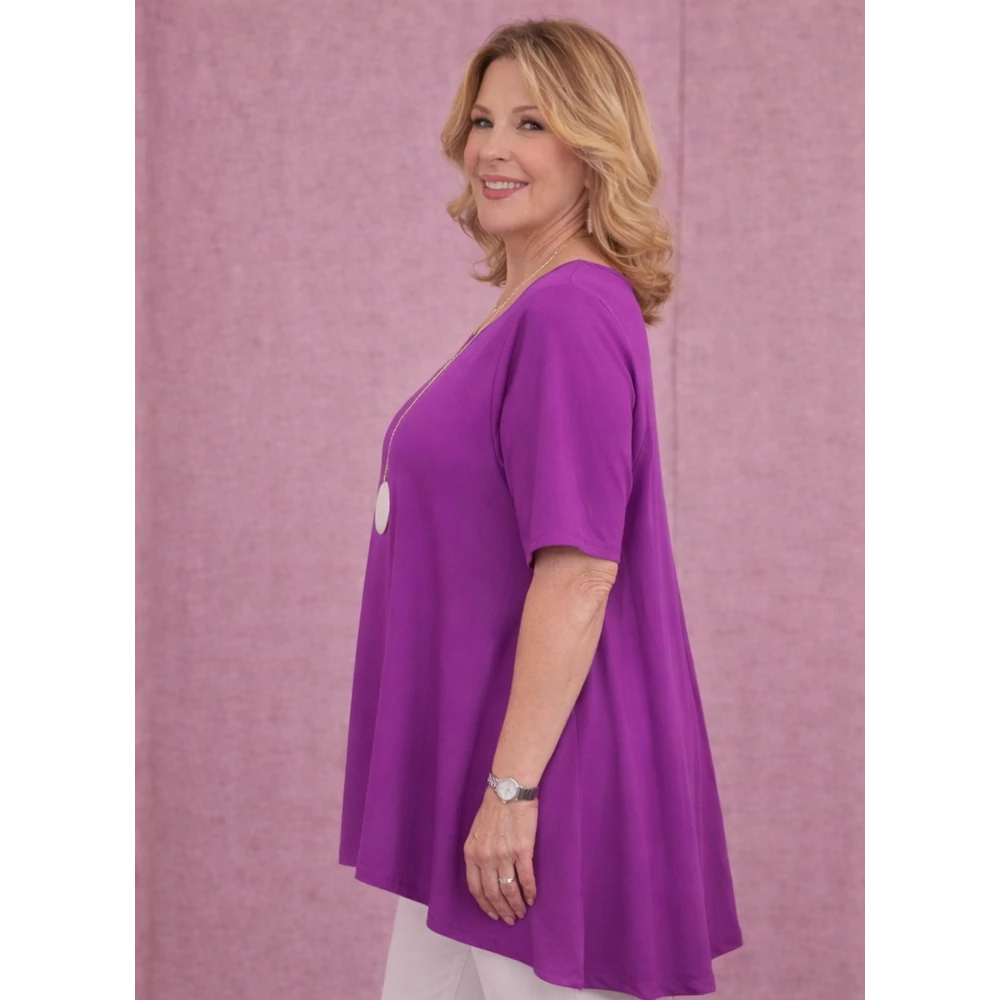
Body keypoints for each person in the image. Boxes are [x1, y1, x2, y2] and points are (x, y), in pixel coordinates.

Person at [338, 17, 742, 1000]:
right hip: (482, 778)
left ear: (593, 146)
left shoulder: (567, 314)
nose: (493, 148)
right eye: (483, 121)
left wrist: (512, 790)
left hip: (538, 790)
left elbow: (580, 570)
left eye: (532, 123)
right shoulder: (533, 310)